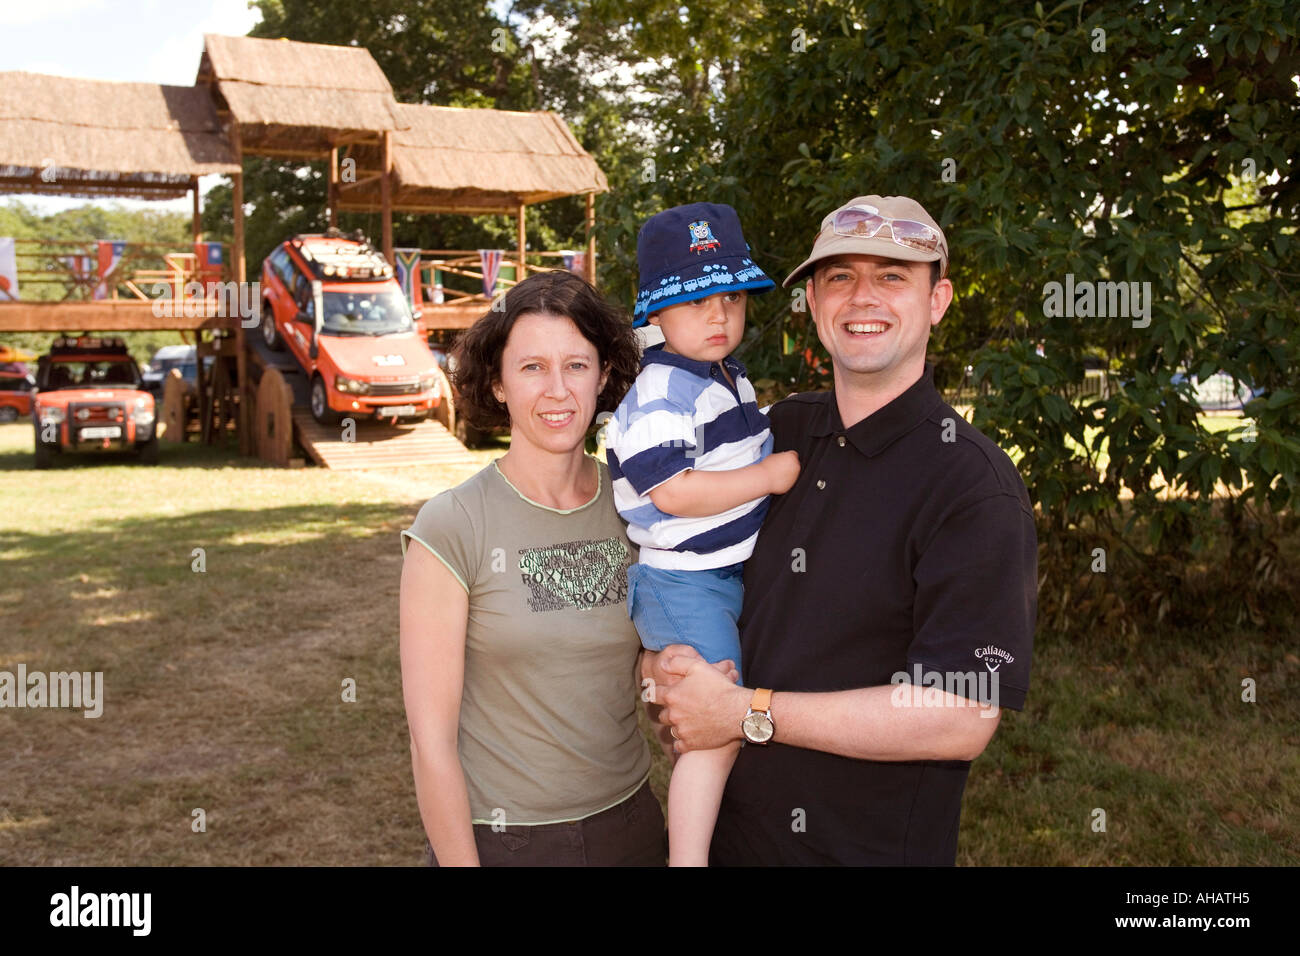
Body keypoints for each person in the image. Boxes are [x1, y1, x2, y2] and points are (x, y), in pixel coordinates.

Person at [644, 195, 1038, 865]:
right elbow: (682, 559)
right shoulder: (777, 434)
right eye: (839, 276)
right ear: (814, 301)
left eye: (892, 275)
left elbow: (959, 716)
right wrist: (669, 670)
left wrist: (744, 711)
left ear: (938, 299)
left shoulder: (972, 487)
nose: (862, 297)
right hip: (726, 844)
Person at [399, 270, 669, 866]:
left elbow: (656, 668)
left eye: (576, 365)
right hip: (504, 842)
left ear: (604, 375)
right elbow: (431, 742)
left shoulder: (639, 507)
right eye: (531, 367)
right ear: (497, 384)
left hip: (630, 829)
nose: (557, 390)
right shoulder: (452, 525)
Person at [603, 202, 801, 866]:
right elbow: (675, 492)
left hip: (720, 576)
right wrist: (769, 478)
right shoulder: (662, 393)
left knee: (731, 715)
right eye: (695, 302)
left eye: (730, 298)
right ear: (656, 314)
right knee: (714, 731)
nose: (718, 316)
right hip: (684, 584)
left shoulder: (723, 376)